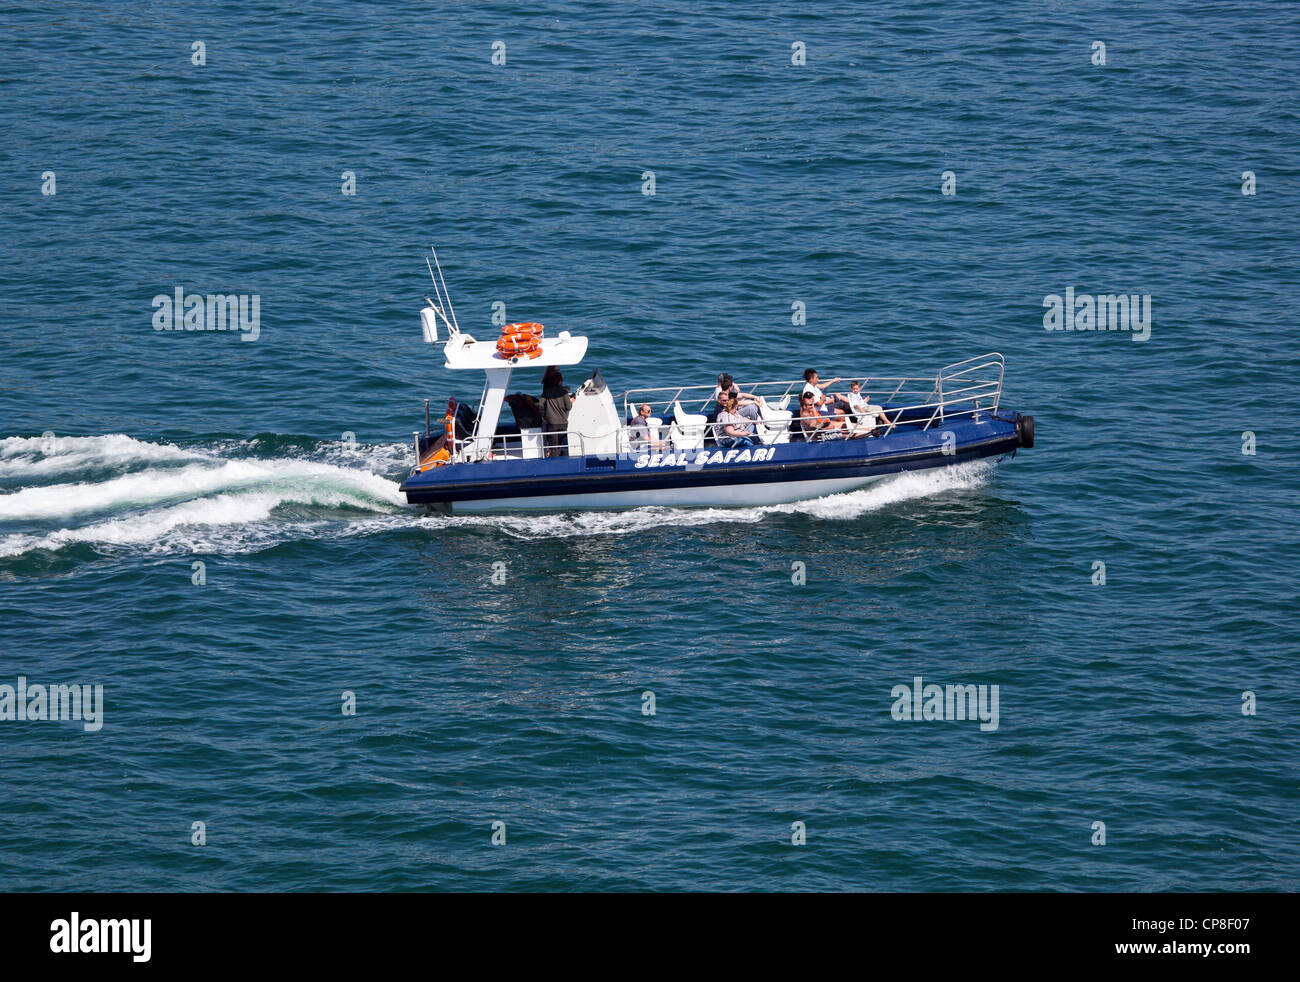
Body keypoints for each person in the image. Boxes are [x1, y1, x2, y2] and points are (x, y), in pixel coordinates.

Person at [540, 367, 574, 457]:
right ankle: (556, 458)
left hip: (552, 423)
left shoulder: (546, 392)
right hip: (563, 423)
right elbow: (569, 407)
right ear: (560, 381)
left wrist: (543, 415)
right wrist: (571, 401)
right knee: (559, 444)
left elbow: (540, 405)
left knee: (553, 445)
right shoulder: (564, 392)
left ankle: (554, 459)